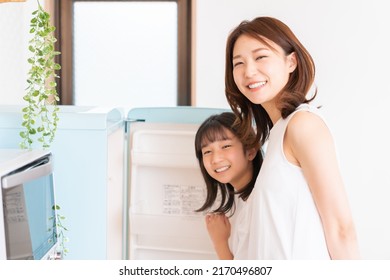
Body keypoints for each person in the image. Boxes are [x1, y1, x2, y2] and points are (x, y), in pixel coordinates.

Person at [223, 16, 359, 259]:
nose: (249, 71)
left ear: (291, 62)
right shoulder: (277, 134)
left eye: (261, 56)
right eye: (238, 63)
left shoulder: (302, 125)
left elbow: (341, 229)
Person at [194, 112, 260, 259]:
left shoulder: (258, 205)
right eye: (207, 151)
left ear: (250, 151)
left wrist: (220, 242)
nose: (215, 159)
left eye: (226, 146)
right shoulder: (242, 199)